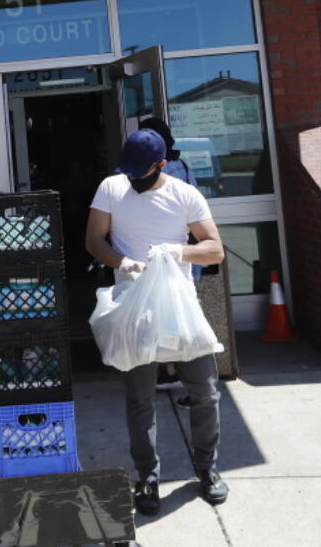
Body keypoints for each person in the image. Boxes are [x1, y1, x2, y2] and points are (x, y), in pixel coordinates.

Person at [84, 128, 229, 515]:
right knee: (140, 400)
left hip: (179, 310)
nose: (133, 180)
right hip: (135, 310)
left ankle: (207, 468)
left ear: (161, 165)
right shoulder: (111, 188)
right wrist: (123, 262)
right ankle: (147, 476)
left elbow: (215, 250)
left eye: (140, 173)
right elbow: (94, 240)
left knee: (204, 392)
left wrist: (177, 251)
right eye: (128, 172)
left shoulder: (185, 195)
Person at [138, 116, 202, 395]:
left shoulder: (158, 173)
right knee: (178, 316)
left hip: (166, 257)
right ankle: (174, 373)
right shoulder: (184, 166)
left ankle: (186, 379)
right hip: (185, 253)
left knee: (171, 318)